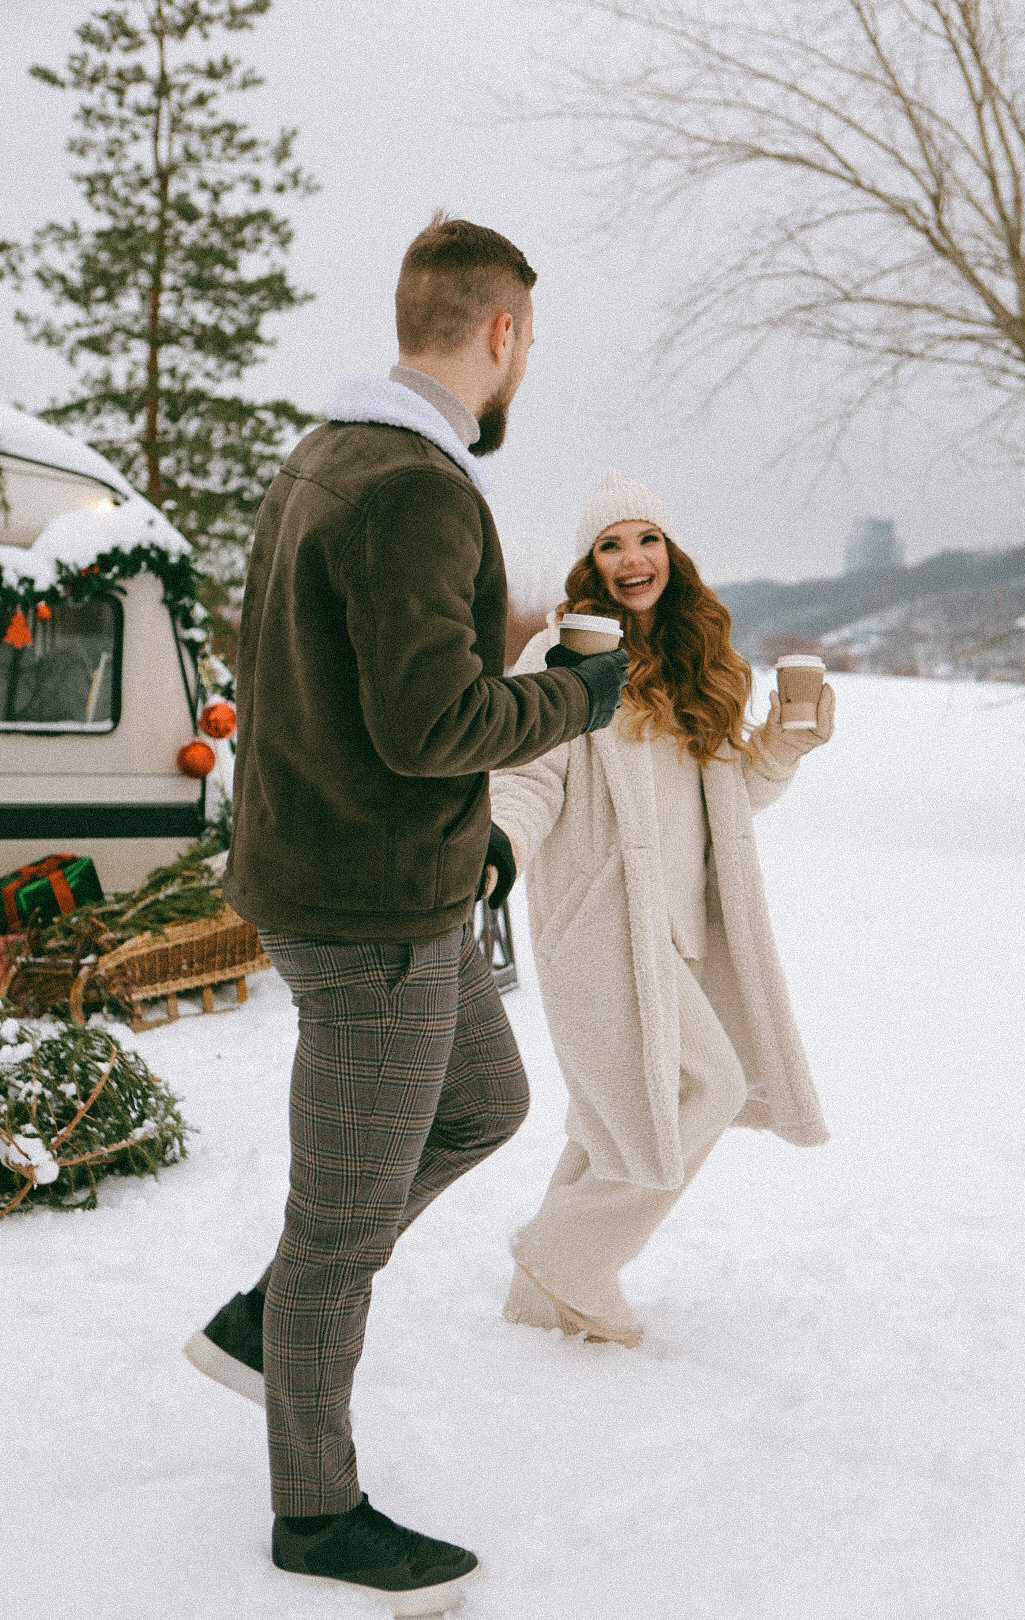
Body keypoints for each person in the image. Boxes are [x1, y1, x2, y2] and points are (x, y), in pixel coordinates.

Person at [182, 217, 628, 1613]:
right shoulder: (415, 490)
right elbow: (437, 720)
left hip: (385, 875)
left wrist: (467, 841)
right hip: (368, 913)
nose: (525, 366)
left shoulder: (327, 458)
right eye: (529, 343)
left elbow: (329, 693)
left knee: (483, 1104)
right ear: (498, 334)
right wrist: (577, 696)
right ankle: (314, 1512)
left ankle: (273, 1316)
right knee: (340, 1226)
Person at [490, 468, 832, 1349]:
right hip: (600, 925)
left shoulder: (700, 667)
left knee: (618, 1109)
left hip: (685, 927)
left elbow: (729, 805)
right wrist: (502, 846)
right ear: (590, 564)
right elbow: (526, 777)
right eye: (610, 544)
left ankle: (541, 1297)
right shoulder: (562, 659)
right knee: (706, 1086)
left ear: (671, 555)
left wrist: (783, 749)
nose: (630, 558)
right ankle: (565, 1256)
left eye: (645, 540)